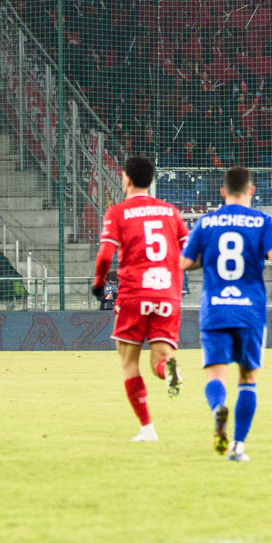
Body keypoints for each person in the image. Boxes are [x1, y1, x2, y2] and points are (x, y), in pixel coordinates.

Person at [179, 166, 272, 461]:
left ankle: (217, 408)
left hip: (215, 310)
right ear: (252, 190)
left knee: (216, 374)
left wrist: (208, 259)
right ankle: (238, 447)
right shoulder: (262, 221)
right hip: (249, 311)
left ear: (223, 192)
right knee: (247, 378)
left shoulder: (207, 222)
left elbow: (184, 263)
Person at [92, 155, 190, 442]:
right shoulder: (170, 212)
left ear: (127, 179)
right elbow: (189, 250)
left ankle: (147, 428)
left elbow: (105, 256)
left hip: (134, 293)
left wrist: (99, 284)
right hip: (167, 294)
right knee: (160, 361)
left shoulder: (117, 212)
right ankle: (170, 371)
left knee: (129, 362)